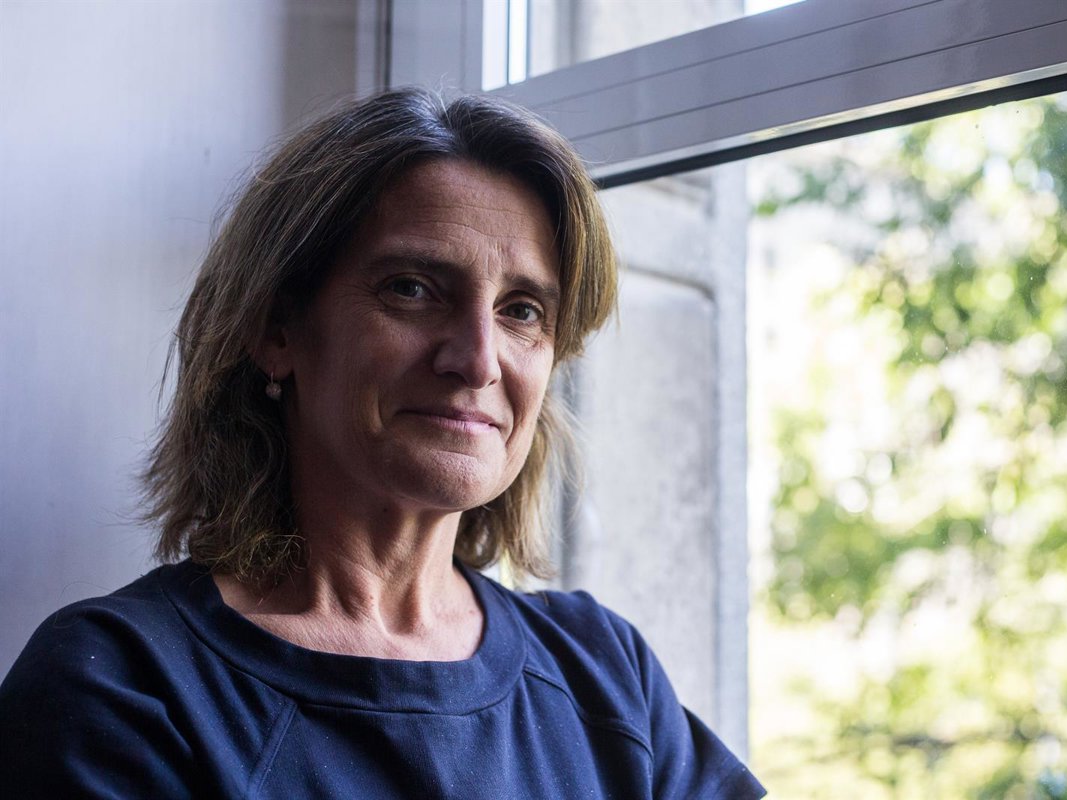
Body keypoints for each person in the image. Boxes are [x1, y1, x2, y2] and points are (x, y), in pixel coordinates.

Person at [0, 88, 766, 798]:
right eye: (412, 289)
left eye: (522, 311)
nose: (477, 359)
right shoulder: (120, 689)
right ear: (276, 329)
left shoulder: (605, 674)